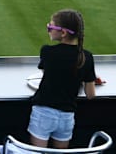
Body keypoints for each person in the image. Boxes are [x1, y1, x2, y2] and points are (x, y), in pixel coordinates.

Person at [27, 9, 96, 149]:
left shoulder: (47, 51)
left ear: (63, 33)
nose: (49, 30)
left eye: (50, 27)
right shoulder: (86, 57)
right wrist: (86, 77)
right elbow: (91, 95)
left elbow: (49, 73)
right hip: (67, 118)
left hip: (43, 114)